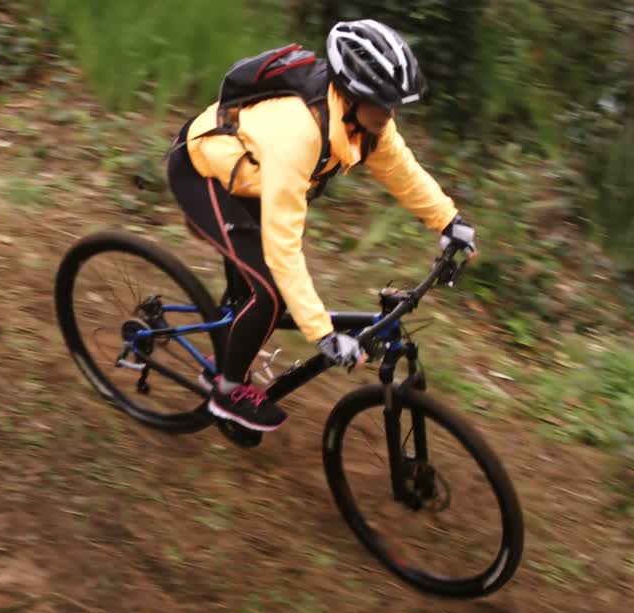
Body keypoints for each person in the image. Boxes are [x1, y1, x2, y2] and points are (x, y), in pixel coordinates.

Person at [165, 18, 477, 433]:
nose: (391, 112)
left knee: (257, 292)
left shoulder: (365, 124)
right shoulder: (299, 133)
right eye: (383, 103)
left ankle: (231, 342)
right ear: (350, 94)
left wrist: (448, 220)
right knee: (272, 291)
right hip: (202, 172)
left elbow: (403, 171)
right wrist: (323, 334)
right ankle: (227, 387)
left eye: (395, 103)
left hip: (252, 178)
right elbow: (283, 249)